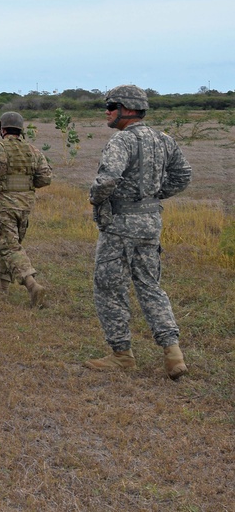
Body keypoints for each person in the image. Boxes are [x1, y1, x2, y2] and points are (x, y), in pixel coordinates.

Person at [85, 85, 192, 380]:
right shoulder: (164, 139)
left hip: (119, 227)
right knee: (150, 286)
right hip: (149, 225)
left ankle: (122, 355)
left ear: (128, 109)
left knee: (109, 288)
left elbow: (107, 180)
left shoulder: (123, 140)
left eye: (112, 105)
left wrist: (95, 198)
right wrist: (154, 196)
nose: (107, 111)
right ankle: (173, 354)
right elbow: (183, 175)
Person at [0, 111, 53, 307]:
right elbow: (45, 178)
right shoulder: (33, 151)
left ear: (2, 129)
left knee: (9, 247)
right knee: (10, 244)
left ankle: (32, 284)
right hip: (25, 205)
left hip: (4, 204)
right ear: (21, 129)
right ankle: (3, 286)